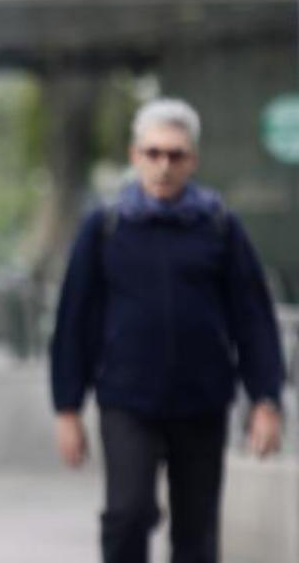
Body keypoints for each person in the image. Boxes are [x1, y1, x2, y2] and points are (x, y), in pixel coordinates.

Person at [50, 98, 284, 563]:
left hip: (202, 401)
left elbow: (254, 318)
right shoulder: (106, 226)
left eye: (175, 155)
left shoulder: (218, 225)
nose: (163, 165)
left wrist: (266, 398)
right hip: (126, 399)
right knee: (128, 514)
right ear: (135, 155)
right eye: (153, 153)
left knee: (196, 534)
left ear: (192, 160)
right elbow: (74, 319)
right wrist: (67, 407)